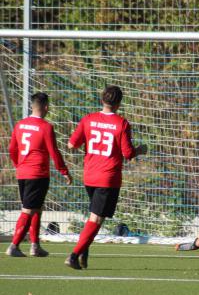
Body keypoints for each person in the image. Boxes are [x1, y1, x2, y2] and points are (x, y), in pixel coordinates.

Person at [65, 85, 147, 269]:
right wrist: (140, 150)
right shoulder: (121, 123)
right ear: (119, 103)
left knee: (93, 216)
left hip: (89, 176)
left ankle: (83, 256)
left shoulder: (88, 119)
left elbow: (71, 145)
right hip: (107, 178)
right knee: (96, 219)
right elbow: (128, 153)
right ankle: (73, 255)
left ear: (102, 100)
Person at [6, 92, 72, 257]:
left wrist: (19, 165)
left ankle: (35, 245)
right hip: (38, 174)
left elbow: (12, 149)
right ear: (46, 107)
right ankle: (14, 246)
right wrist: (64, 171)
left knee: (37, 208)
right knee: (29, 210)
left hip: (22, 173)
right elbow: (54, 152)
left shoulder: (20, 125)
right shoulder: (45, 127)